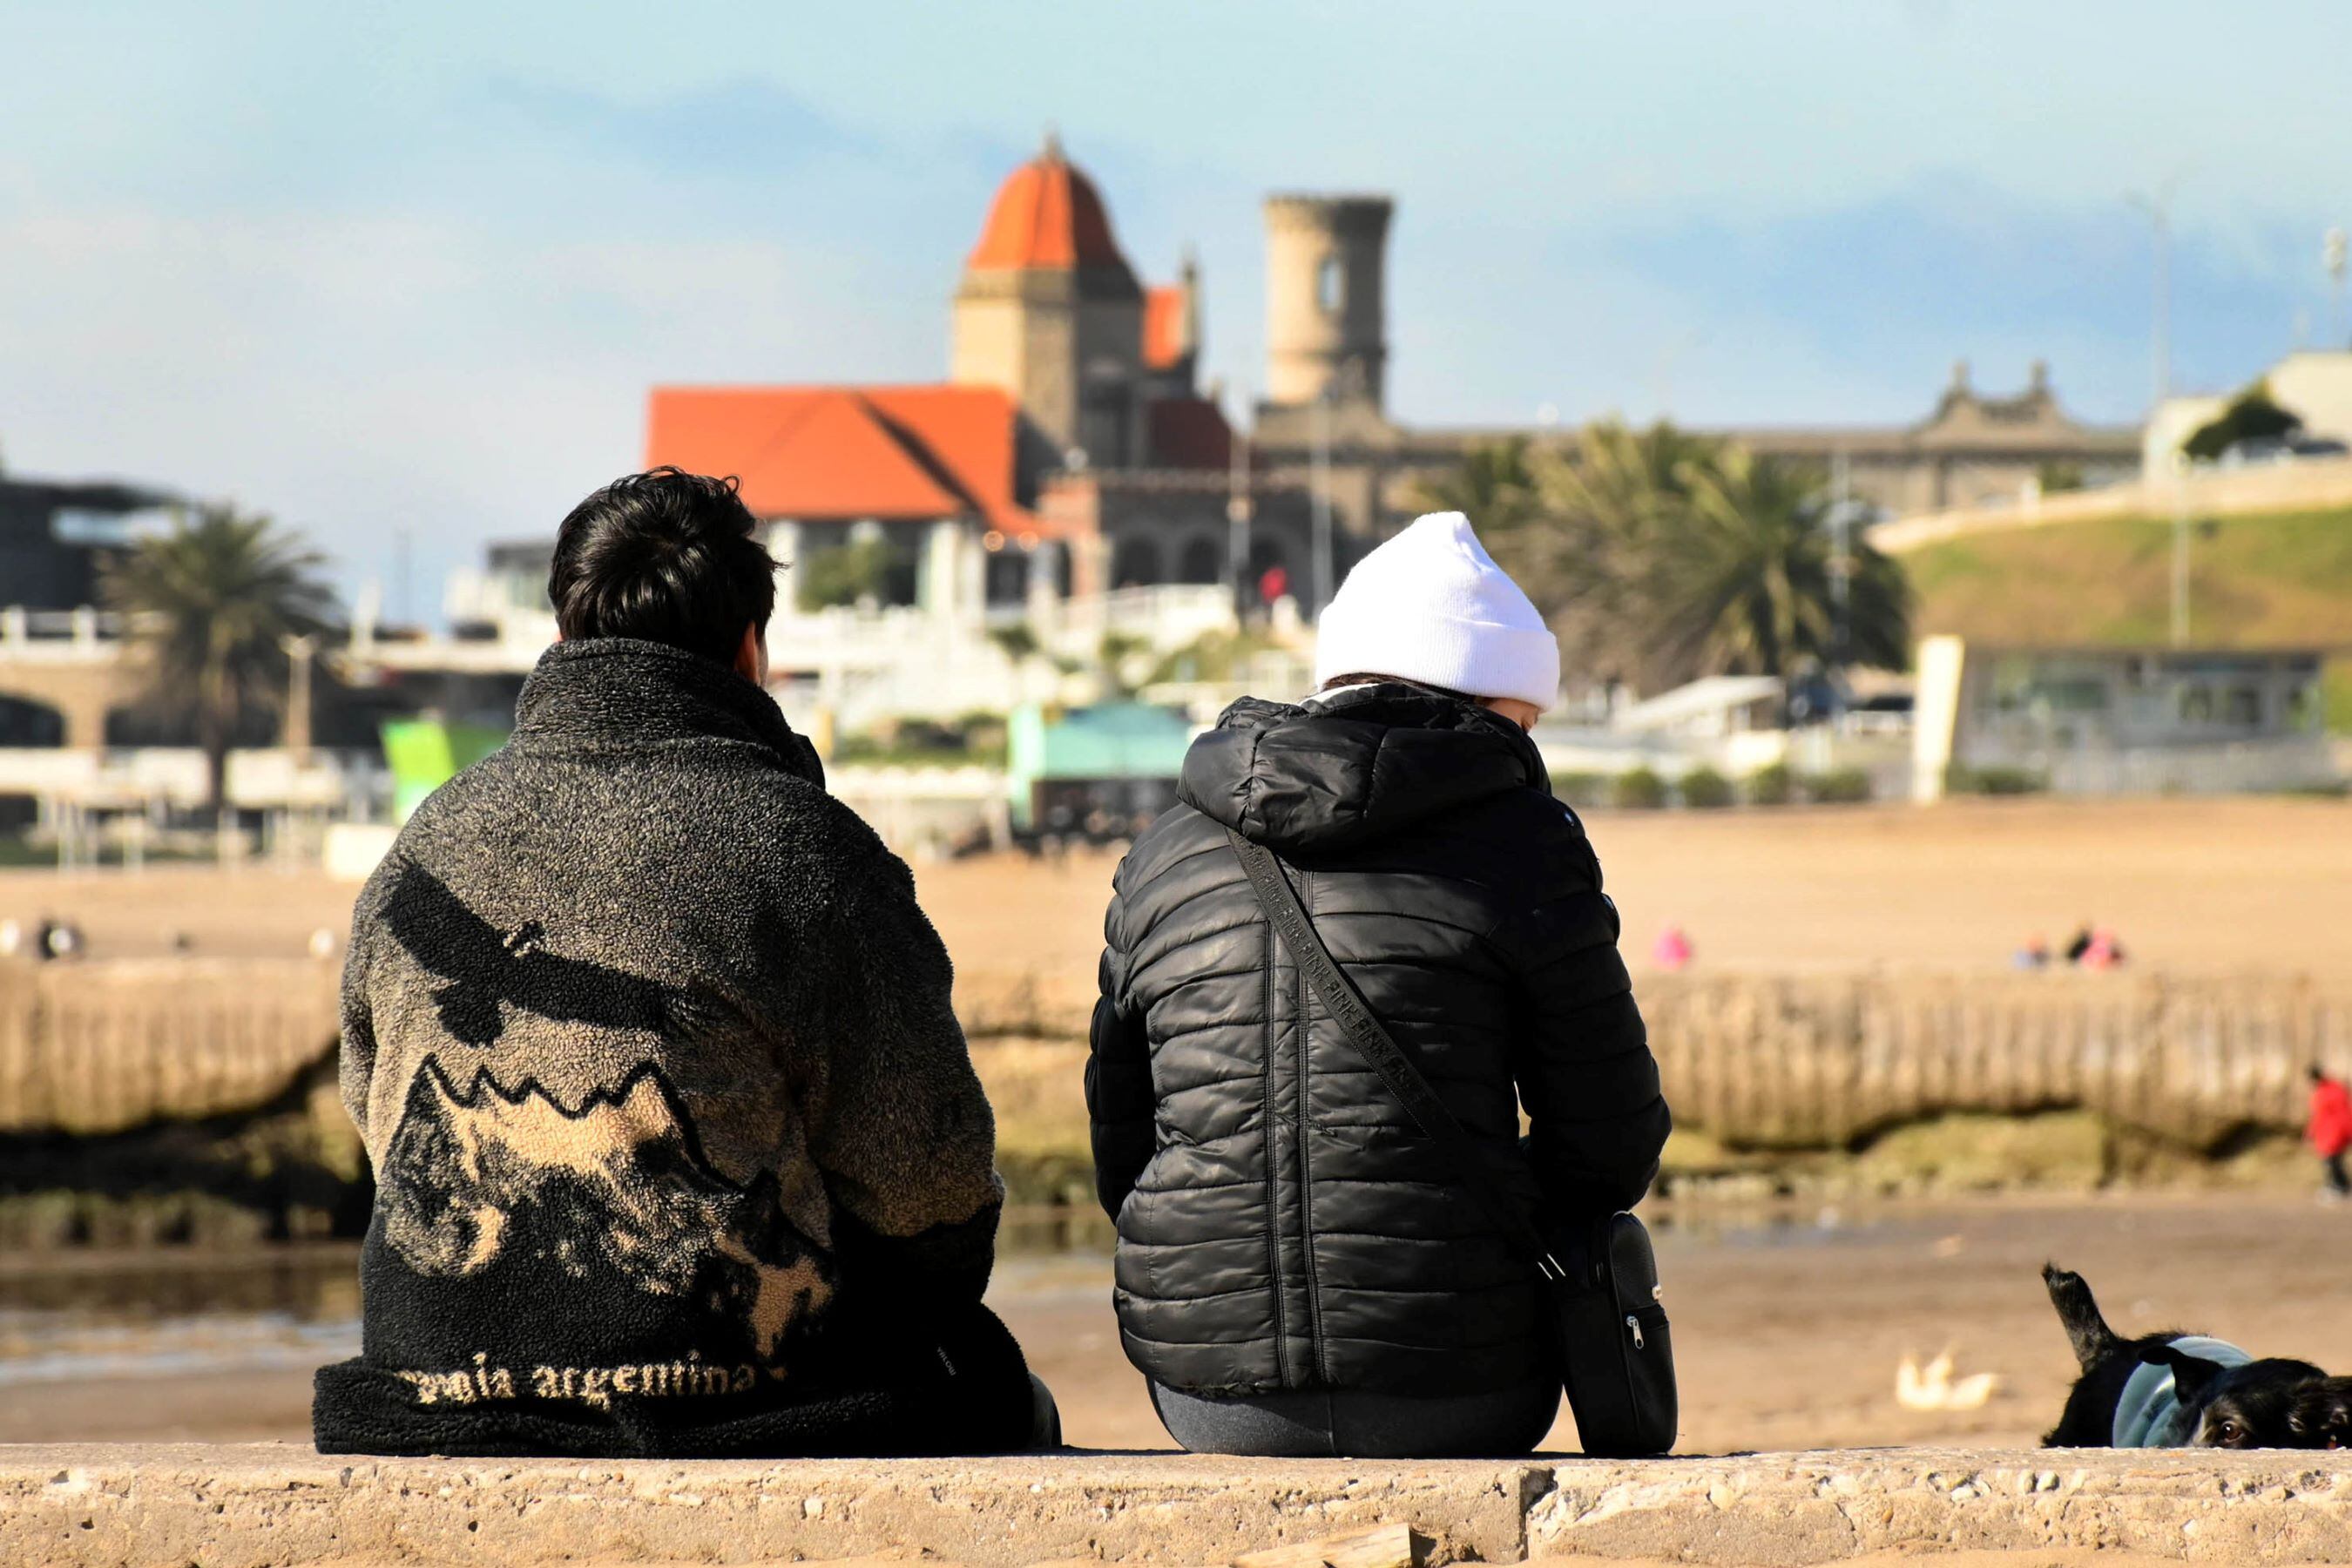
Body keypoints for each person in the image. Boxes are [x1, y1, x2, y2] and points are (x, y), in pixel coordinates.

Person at [314, 469, 1051, 1457]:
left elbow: (373, 1106)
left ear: (566, 635)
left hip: (426, 1386)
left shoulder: (426, 840)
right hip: (721, 1397)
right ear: (752, 646)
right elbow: (926, 1183)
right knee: (998, 1388)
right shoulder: (805, 847)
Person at [1088, 510, 1671, 1458]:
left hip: (1208, 1392)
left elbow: (1122, 1147)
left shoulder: (1164, 854)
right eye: (1529, 720)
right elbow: (1612, 1142)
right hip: (1468, 1384)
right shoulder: (1524, 844)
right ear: (1494, 703)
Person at [2308, 1065, 2352, 1202]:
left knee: (2333, 1161)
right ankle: (2340, 1185)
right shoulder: (2332, 1090)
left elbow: (2324, 1115)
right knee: (2333, 1161)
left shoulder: (2328, 1092)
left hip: (2333, 1132)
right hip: (2330, 1132)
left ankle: (2339, 1186)